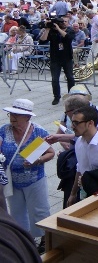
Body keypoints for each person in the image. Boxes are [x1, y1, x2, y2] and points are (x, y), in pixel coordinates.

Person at [0, 99, 54, 254]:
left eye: (18, 114)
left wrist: (38, 160)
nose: (13, 117)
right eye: (12, 113)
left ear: (28, 117)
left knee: (39, 210)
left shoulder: (38, 131)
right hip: (12, 180)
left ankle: (45, 240)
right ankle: (23, 241)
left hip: (34, 179)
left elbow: (50, 153)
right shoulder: (4, 130)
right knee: (16, 212)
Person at [39, 17, 75, 105]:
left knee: (70, 78)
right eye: (61, 22)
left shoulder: (70, 30)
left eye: (65, 22)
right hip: (55, 58)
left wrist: (58, 29)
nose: (63, 23)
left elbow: (68, 38)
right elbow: (42, 41)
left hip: (67, 58)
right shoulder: (52, 31)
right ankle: (56, 96)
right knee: (55, 79)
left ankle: (72, 96)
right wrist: (47, 29)